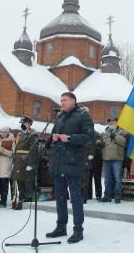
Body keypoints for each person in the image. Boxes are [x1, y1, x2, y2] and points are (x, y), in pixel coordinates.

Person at [45, 92, 94, 244]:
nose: (62, 103)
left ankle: (78, 230)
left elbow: (89, 137)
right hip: (58, 163)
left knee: (75, 198)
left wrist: (70, 138)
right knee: (59, 197)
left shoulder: (82, 116)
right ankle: (61, 227)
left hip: (73, 163)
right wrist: (52, 138)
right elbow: (53, 135)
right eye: (61, 100)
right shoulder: (60, 117)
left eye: (65, 100)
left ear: (73, 100)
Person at [12, 117, 38, 210]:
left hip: (26, 160)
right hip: (18, 160)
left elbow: (34, 150)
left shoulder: (33, 134)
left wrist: (30, 164)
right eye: (22, 123)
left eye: (24, 123)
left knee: (26, 182)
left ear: (29, 124)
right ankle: (21, 199)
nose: (22, 124)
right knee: (19, 181)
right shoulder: (20, 134)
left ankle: (27, 200)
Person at [99, 117, 127, 204]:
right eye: (110, 121)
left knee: (117, 179)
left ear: (118, 122)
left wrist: (114, 136)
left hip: (117, 159)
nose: (111, 123)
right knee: (107, 179)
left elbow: (123, 142)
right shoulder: (106, 131)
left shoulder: (122, 131)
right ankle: (107, 195)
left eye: (113, 121)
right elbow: (104, 141)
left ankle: (117, 196)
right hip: (106, 158)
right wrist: (100, 144)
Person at [0, 126, 14, 208]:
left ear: (8, 133)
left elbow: (13, 153)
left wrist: (4, 151)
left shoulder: (11, 141)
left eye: (5, 132)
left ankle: (3, 202)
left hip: (5, 165)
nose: (3, 134)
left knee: (4, 186)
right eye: (2, 132)